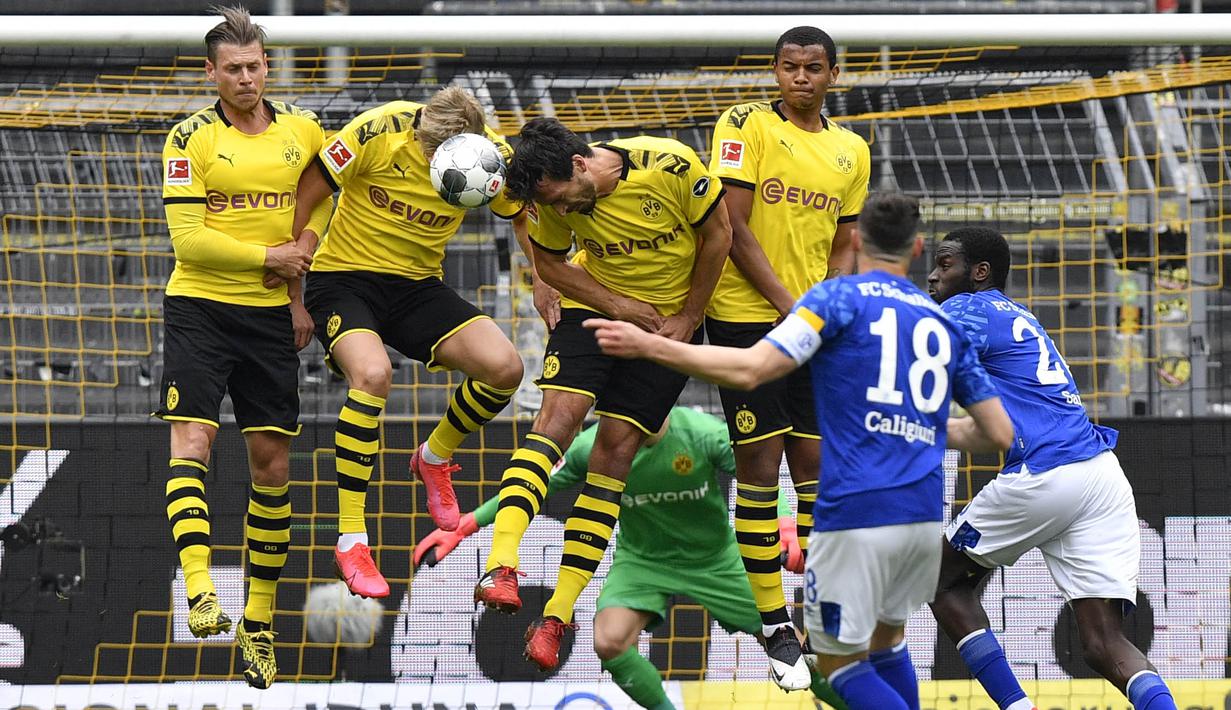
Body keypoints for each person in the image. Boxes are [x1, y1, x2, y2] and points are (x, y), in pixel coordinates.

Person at [585, 192, 1014, 710]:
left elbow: (750, 370)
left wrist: (651, 346)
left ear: (855, 240)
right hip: (922, 519)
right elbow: (997, 434)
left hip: (854, 511)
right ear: (917, 247)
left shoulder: (835, 300)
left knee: (838, 665)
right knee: (887, 642)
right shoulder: (941, 322)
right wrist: (916, 425)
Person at [472, 117, 731, 673]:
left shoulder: (672, 166)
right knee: (555, 424)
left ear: (580, 165)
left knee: (614, 455)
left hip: (665, 327)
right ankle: (501, 565)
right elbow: (549, 265)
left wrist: (690, 315)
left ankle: (556, 618)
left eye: (560, 198)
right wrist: (617, 306)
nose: (560, 211)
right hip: (597, 312)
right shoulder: (552, 202)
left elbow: (720, 237)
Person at [416, 407, 847, 710]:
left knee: (794, 652)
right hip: (641, 563)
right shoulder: (595, 447)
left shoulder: (701, 432)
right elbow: (537, 486)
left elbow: (759, 476)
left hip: (716, 561)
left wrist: (787, 520)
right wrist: (467, 524)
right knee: (608, 641)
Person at [290, 87, 530, 599]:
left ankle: (434, 457)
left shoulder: (490, 156)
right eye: (427, 151)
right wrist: (294, 289)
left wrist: (546, 280)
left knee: (505, 367)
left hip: (418, 286)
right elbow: (308, 189)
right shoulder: (375, 131)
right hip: (344, 281)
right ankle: (352, 539)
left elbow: (522, 215)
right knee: (374, 376)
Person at [926, 227, 1177, 710]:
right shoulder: (1019, 316)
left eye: (945, 264)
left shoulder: (965, 308)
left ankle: (1017, 706)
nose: (934, 276)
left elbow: (920, 364)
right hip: (1101, 474)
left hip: (1047, 471)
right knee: (1105, 644)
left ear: (979, 273)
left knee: (940, 581)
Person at [156, 5, 329, 689]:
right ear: (211, 73)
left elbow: (326, 196)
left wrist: (303, 258)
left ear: (267, 63)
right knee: (191, 443)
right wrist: (274, 254)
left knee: (272, 467)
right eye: (233, 69)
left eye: (255, 65)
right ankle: (200, 587)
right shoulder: (187, 139)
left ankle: (258, 623)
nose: (247, 78)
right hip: (198, 308)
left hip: (268, 320)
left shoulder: (302, 130)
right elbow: (189, 241)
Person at [704, 24, 871, 688]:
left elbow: (843, 239)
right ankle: (773, 626)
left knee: (815, 469)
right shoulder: (744, 123)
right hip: (746, 318)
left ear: (833, 74)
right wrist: (790, 307)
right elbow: (731, 225)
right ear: (775, 71)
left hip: (808, 325)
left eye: (812, 67)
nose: (799, 77)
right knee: (759, 469)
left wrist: (829, 305)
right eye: (788, 66)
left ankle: (812, 618)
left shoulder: (850, 149)